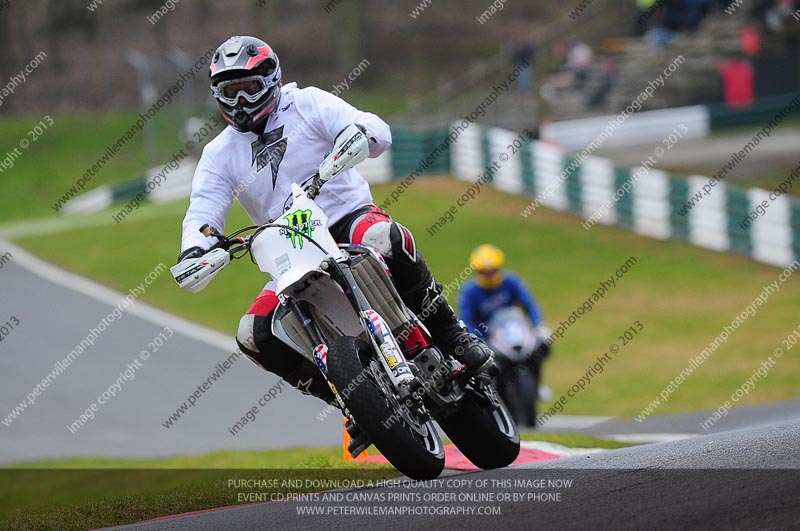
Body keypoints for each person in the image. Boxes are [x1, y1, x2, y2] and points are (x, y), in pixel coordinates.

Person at [176, 36, 495, 440]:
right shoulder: (218, 153)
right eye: (230, 92)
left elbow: (372, 129)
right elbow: (203, 211)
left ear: (271, 81)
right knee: (252, 334)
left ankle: (452, 332)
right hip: (287, 249)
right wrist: (197, 249)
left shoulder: (307, 103)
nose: (240, 103)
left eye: (249, 89)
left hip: (346, 217)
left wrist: (357, 134)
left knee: (385, 237)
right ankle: (349, 402)